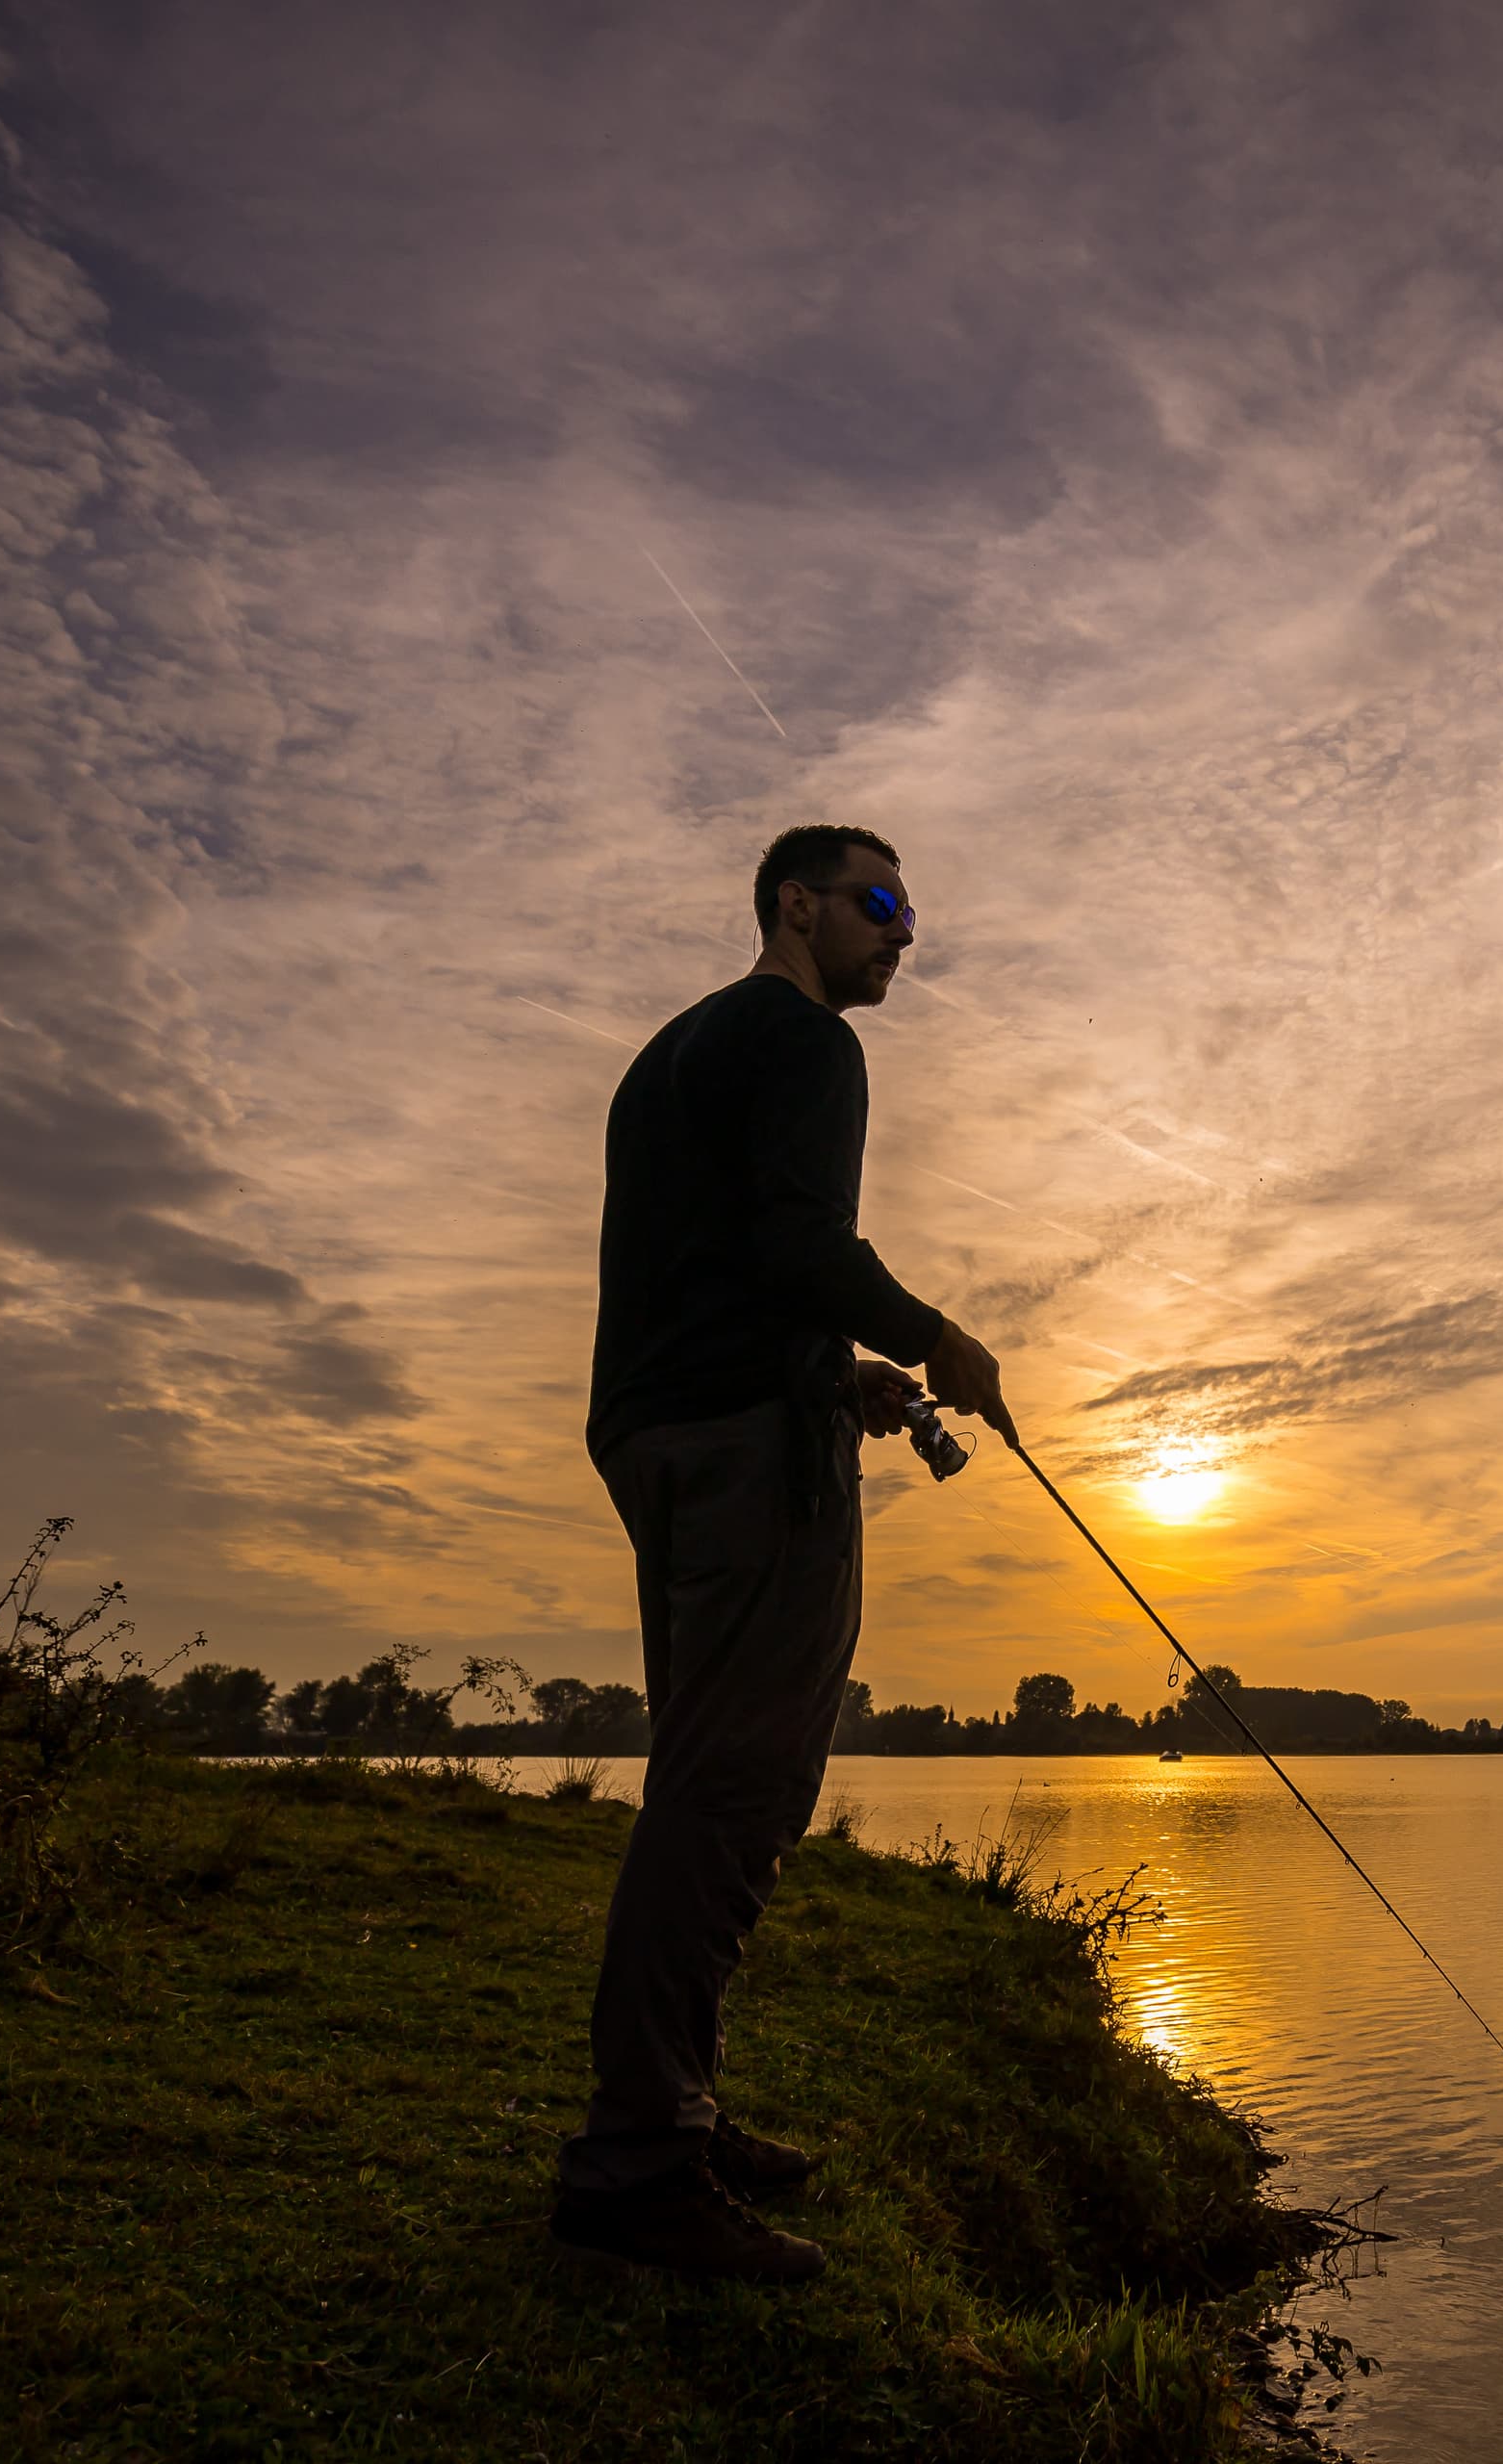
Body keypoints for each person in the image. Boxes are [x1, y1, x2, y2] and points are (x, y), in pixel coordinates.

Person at [549, 822, 1014, 2279]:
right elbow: (803, 1245)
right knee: (735, 1789)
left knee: (703, 1769)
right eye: (880, 902)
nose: (905, 928)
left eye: (912, 908)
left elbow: (726, 1262)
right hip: (745, 1453)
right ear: (795, 905)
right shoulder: (810, 1046)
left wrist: (835, 1375)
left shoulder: (671, 1053)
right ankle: (640, 2166)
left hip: (665, 1431)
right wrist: (937, 1342)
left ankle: (675, 2105)